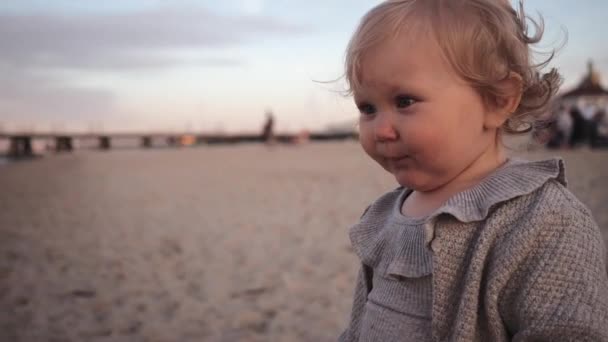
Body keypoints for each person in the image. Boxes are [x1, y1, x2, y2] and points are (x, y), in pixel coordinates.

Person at [338, 1, 608, 341]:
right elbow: (360, 325)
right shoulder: (382, 218)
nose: (381, 130)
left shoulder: (543, 221)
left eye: (405, 101)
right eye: (367, 108)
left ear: (498, 101)